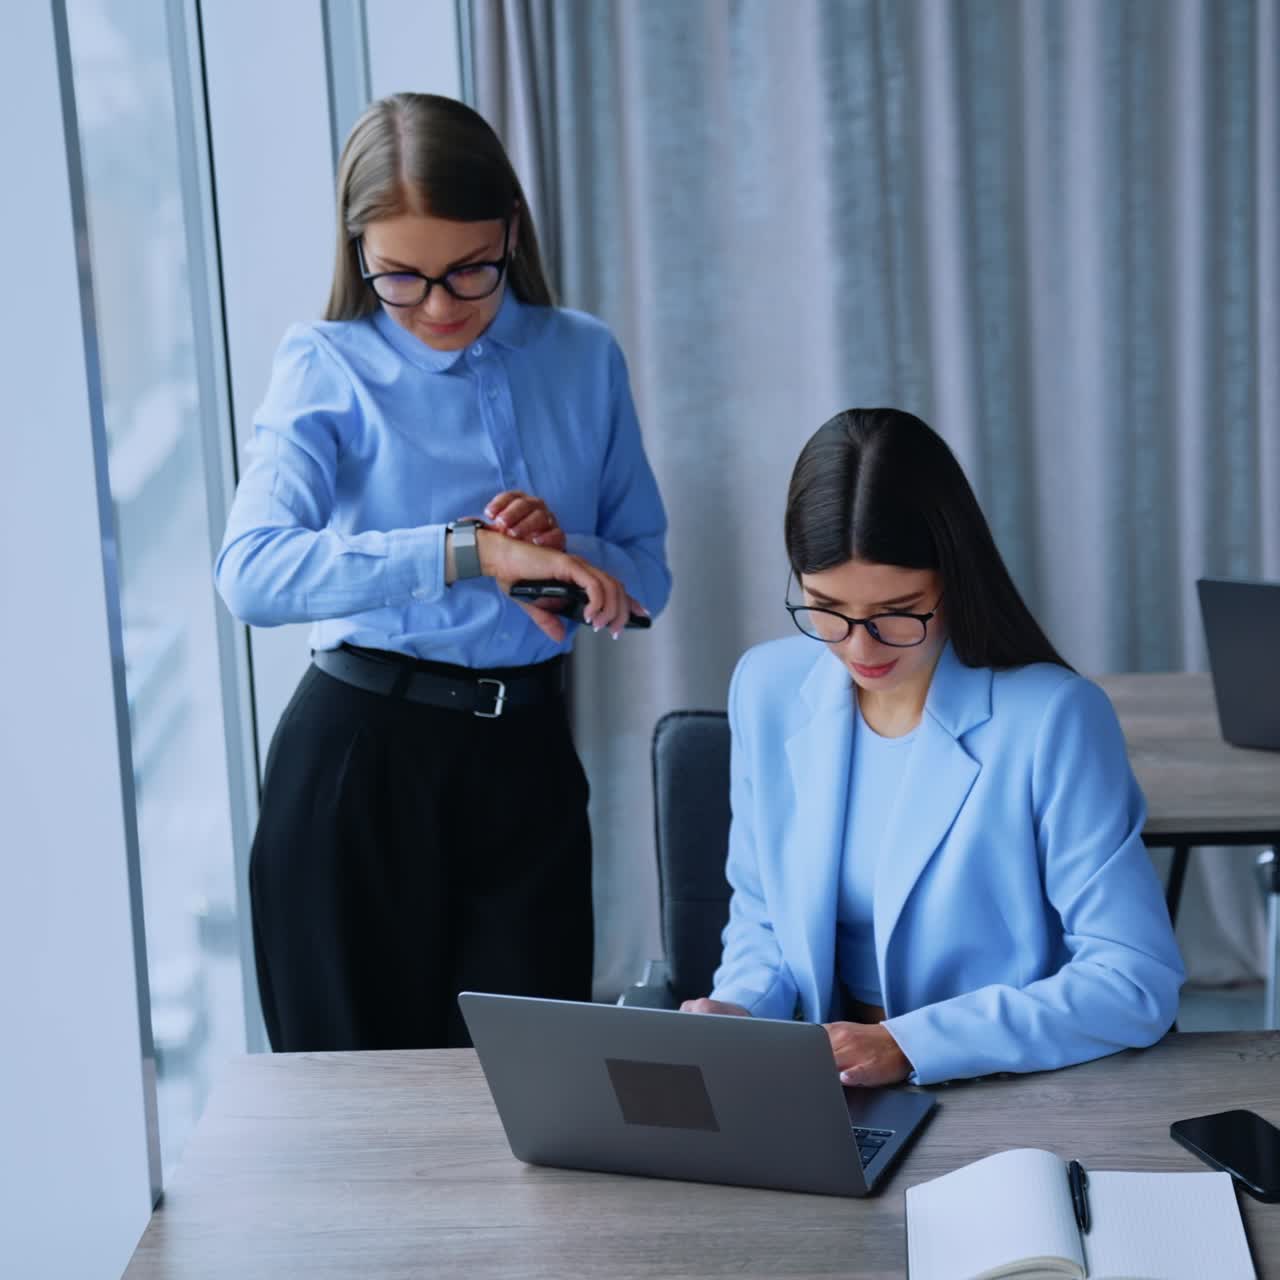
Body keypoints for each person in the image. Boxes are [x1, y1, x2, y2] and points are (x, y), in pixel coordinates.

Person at [215, 92, 671, 1052]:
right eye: (400, 278)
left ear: (510, 228)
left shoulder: (583, 356)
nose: (438, 308)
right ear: (359, 256)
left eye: (469, 271)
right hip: (359, 766)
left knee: (534, 1107)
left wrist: (562, 557)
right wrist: (467, 550)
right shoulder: (325, 364)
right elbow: (251, 574)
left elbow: (648, 580)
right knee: (357, 1121)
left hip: (528, 761)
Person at [681, 408, 1183, 1087]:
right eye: (825, 607)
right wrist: (741, 1008)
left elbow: (1134, 980)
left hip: (998, 1085)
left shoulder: (1053, 718)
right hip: (822, 1086)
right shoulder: (768, 686)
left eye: (898, 610)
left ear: (955, 579)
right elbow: (763, 914)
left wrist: (911, 1044)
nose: (859, 648)